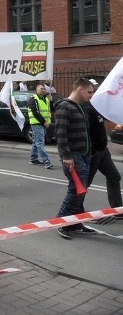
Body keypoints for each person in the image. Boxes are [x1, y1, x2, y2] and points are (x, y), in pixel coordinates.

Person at [56, 78, 97, 240]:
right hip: (73, 156)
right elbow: (60, 134)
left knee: (81, 190)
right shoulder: (65, 107)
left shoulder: (80, 107)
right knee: (76, 189)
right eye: (89, 92)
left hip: (84, 154)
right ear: (80, 89)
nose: (91, 95)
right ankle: (62, 221)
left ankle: (76, 221)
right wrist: (66, 156)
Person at [84, 100, 123, 219]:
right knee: (84, 183)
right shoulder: (87, 109)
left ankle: (116, 209)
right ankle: (74, 210)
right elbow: (84, 131)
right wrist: (91, 150)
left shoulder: (99, 108)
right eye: (89, 92)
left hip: (103, 151)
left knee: (114, 176)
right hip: (94, 152)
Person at [28, 83, 54, 169]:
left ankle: (33, 159)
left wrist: (51, 101)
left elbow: (51, 110)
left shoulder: (46, 99)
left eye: (44, 89)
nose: (43, 90)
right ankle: (47, 161)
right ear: (37, 90)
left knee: (37, 142)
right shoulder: (33, 99)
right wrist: (44, 122)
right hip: (37, 123)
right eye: (41, 89)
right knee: (40, 143)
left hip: (44, 123)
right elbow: (35, 112)